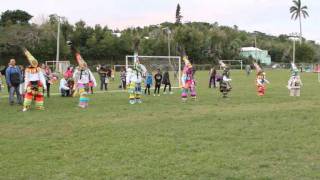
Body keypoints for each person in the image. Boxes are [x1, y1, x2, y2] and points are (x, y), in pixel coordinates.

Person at [68, 41, 97, 108]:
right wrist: (78, 72)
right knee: (82, 93)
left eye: (84, 64)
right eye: (82, 64)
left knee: (85, 94)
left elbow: (91, 76)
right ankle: (81, 104)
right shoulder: (77, 70)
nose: (83, 65)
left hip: (86, 83)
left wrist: (94, 82)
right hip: (80, 83)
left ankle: (85, 104)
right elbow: (74, 76)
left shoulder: (87, 70)